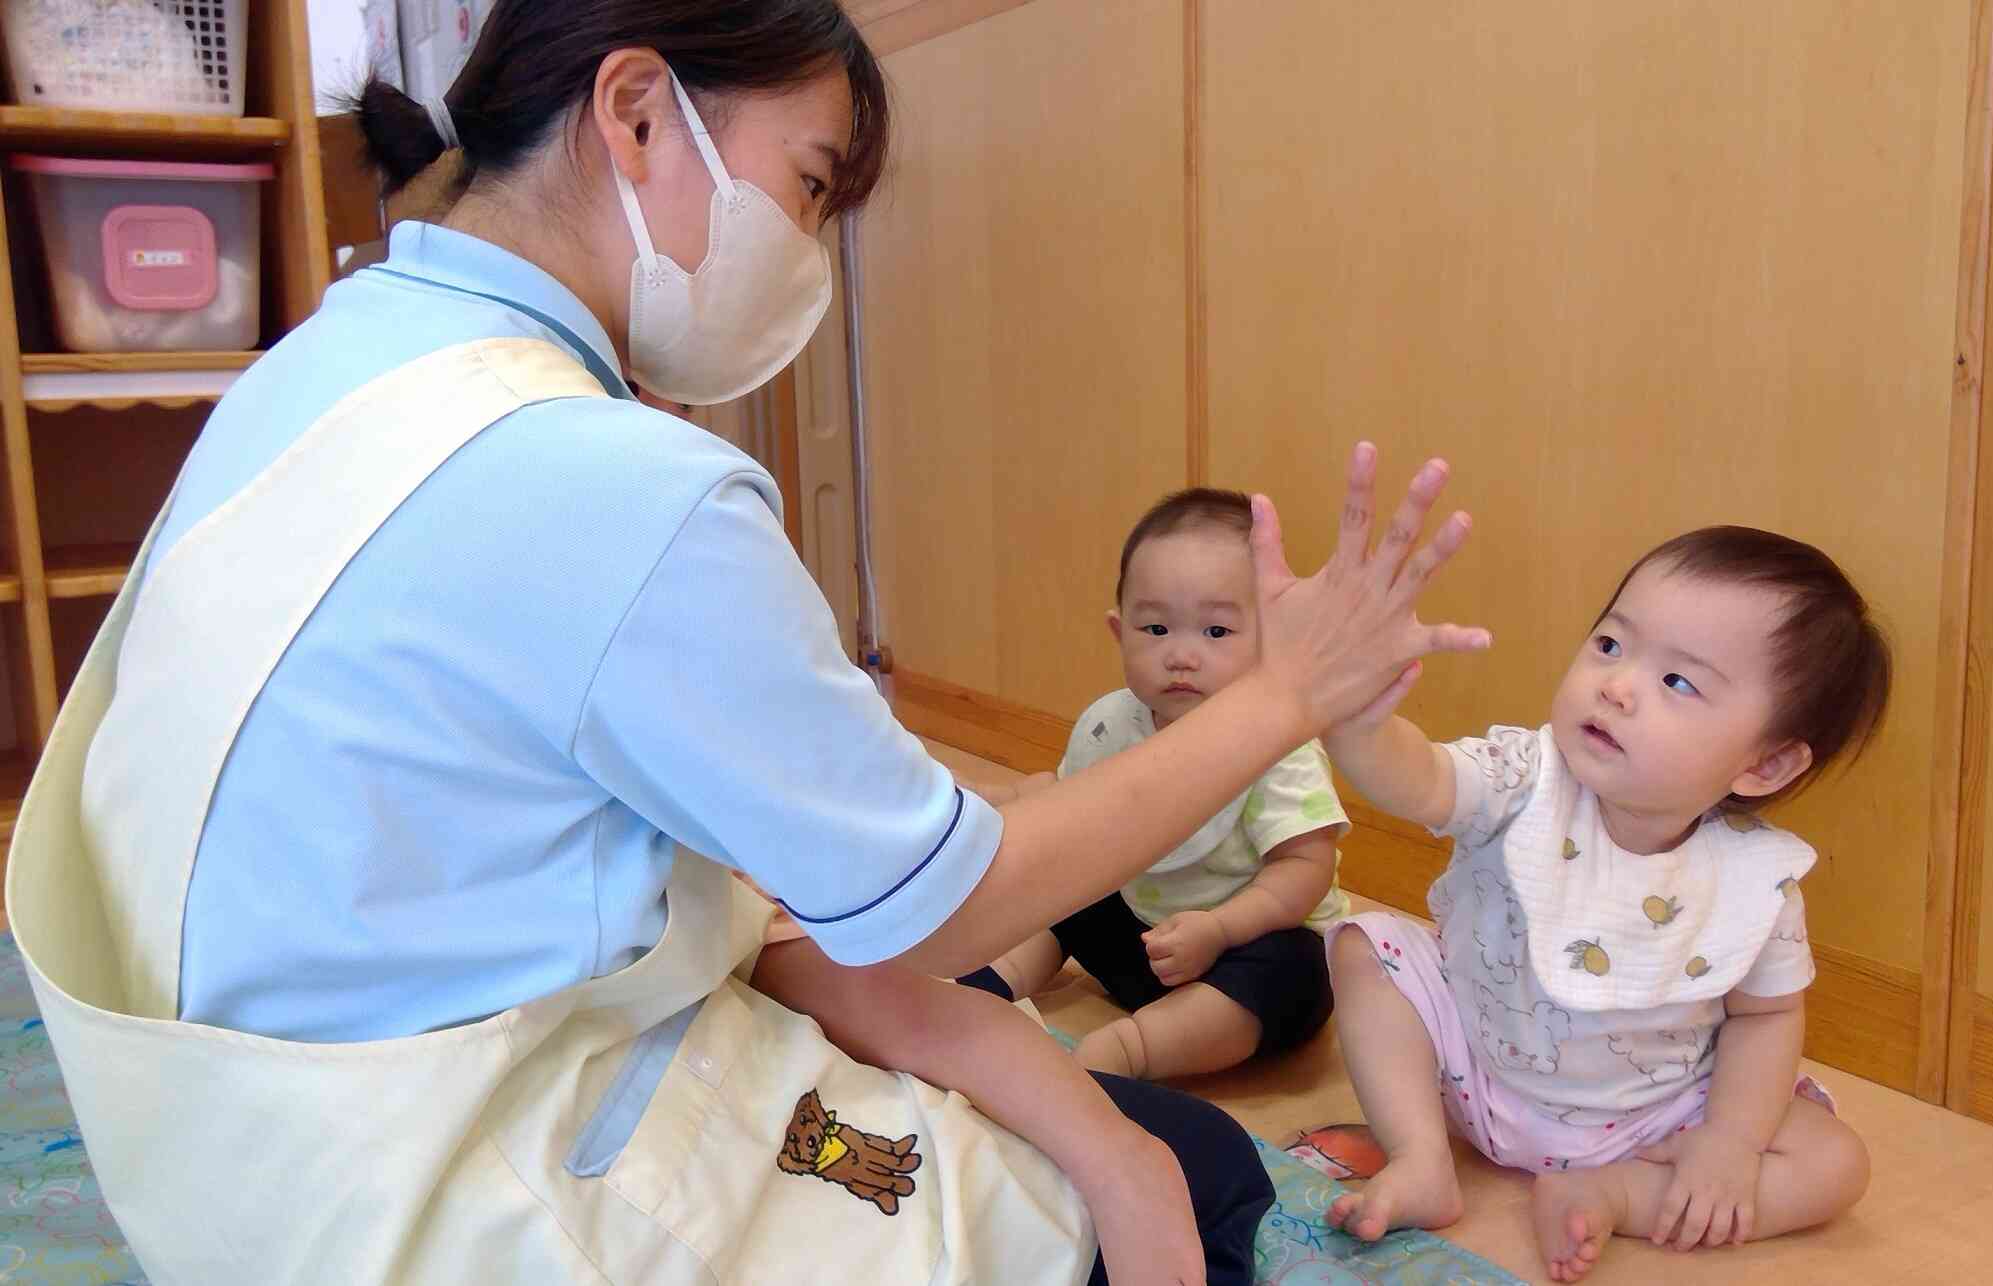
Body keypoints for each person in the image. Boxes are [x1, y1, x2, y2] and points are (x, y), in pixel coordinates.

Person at [0, 3, 1490, 1283]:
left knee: (961, 1021)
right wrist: (1286, 688)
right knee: (1196, 1173)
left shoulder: (320, 363)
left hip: (209, 1143)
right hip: (430, 1175)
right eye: (811, 184)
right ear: (637, 112)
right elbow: (932, 910)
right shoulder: (612, 483)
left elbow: (816, 918)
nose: (812, 250)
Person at [1318, 528, 1886, 1282]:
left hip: (1652, 1118)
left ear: (1764, 762)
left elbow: (1766, 1017)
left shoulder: (1754, 880)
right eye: (1612, 645)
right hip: (1471, 1067)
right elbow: (1414, 778)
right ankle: (1420, 1156)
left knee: (1835, 1165)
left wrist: (1727, 1143)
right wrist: (1358, 717)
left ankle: (1615, 1195)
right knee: (1366, 946)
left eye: (1677, 683)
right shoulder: (1524, 777)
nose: (1616, 686)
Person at [959, 489, 1352, 1081]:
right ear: (1120, 633)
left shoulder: (1277, 742)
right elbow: (1071, 800)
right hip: (1146, 942)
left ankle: (1130, 1051)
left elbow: (1305, 868)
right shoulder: (1111, 721)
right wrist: (999, 800)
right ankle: (987, 986)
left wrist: (1220, 930)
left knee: (1300, 969)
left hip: (1244, 945)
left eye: (1216, 632)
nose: (1181, 655)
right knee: (1067, 882)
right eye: (1157, 628)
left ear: (1271, 638)